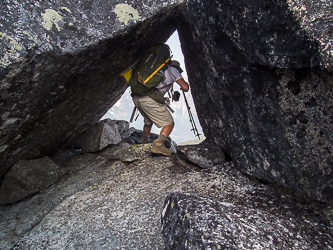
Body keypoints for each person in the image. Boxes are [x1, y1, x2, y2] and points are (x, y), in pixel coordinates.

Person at [132, 60, 189, 156]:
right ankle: (158, 144)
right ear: (177, 68)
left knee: (148, 121)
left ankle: (144, 143)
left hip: (137, 98)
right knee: (169, 124)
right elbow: (185, 87)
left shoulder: (158, 70)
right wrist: (182, 85)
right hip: (149, 99)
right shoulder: (173, 70)